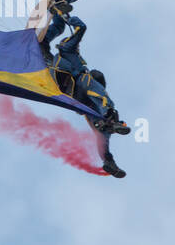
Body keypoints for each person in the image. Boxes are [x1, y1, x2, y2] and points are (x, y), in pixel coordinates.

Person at [49, 16, 130, 178]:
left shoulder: (55, 60)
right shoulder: (68, 49)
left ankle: (108, 160)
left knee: (101, 130)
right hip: (79, 85)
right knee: (97, 86)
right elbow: (82, 27)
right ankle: (110, 118)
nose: (77, 47)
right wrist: (68, 17)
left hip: (78, 100)